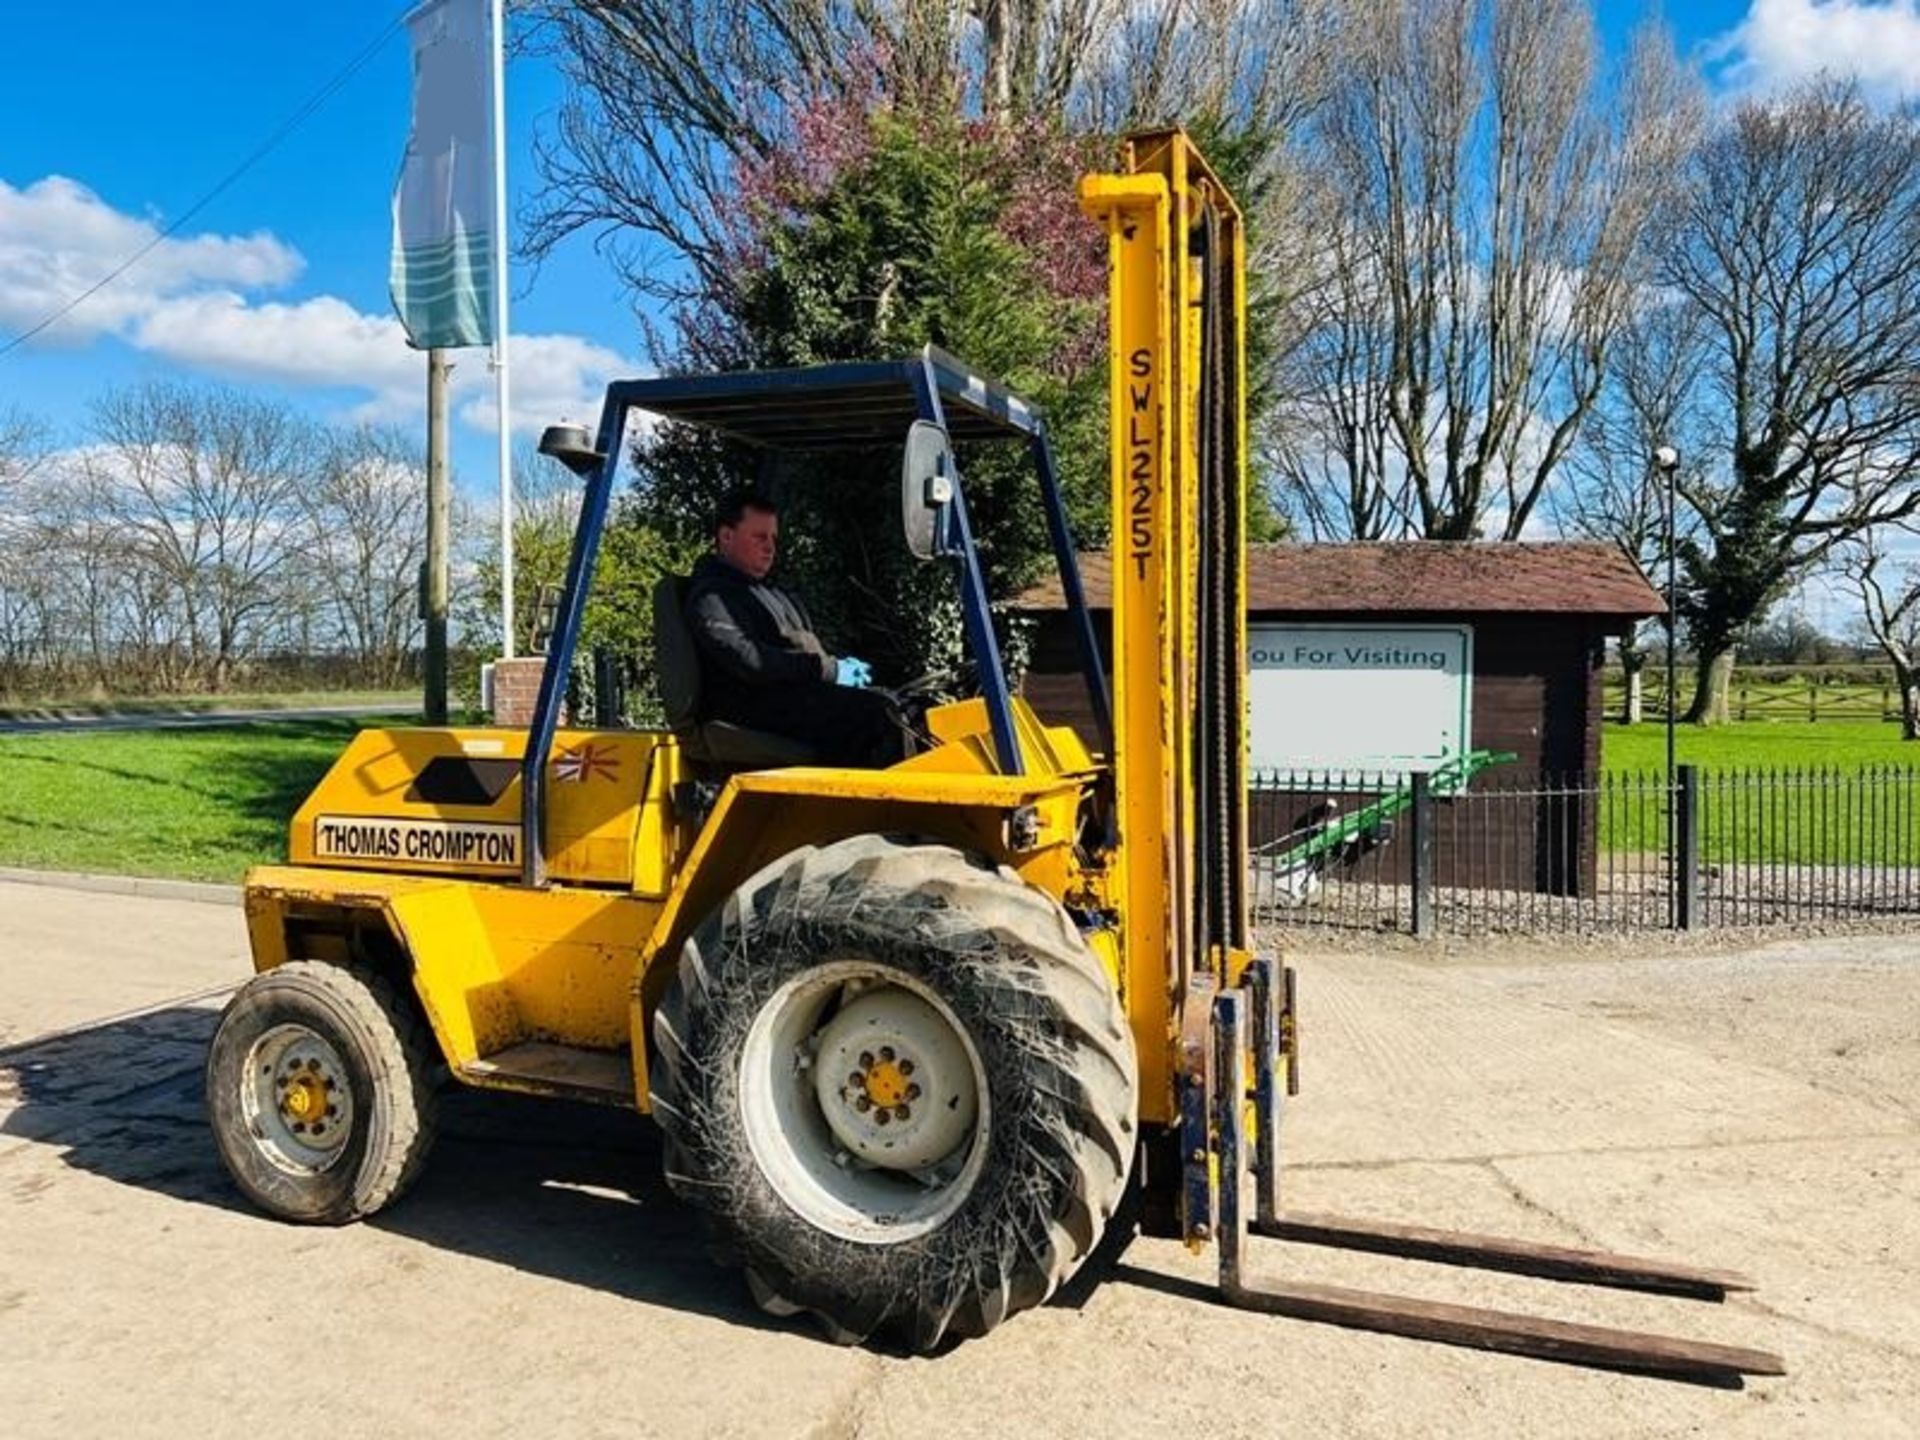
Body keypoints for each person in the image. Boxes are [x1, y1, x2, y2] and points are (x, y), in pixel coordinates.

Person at [683, 487, 907, 767]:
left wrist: (832, 667)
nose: (770, 547)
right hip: (750, 708)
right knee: (877, 717)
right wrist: (828, 670)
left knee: (905, 706)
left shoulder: (763, 591)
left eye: (773, 538)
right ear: (726, 537)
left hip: (787, 697)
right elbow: (750, 660)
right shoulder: (712, 596)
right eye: (759, 537)